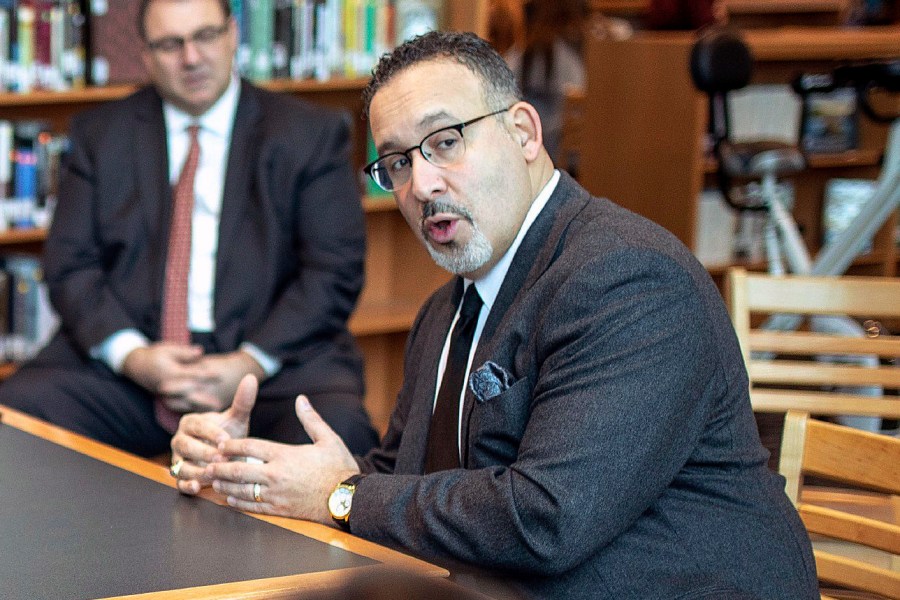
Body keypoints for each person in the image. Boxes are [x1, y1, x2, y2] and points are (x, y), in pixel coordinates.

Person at [171, 31, 818, 600]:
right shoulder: (447, 309)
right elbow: (399, 484)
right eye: (396, 162)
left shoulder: (628, 278)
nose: (421, 185)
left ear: (525, 132)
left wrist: (340, 495)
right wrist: (247, 471)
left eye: (445, 142)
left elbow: (546, 520)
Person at [0, 0, 378, 459]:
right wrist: (134, 358)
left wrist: (248, 364)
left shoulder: (309, 134)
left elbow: (332, 272)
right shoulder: (100, 135)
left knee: (341, 436)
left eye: (205, 36)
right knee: (17, 416)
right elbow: (71, 265)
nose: (192, 58)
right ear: (144, 54)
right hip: (132, 373)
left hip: (272, 369)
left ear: (233, 33)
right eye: (170, 44)